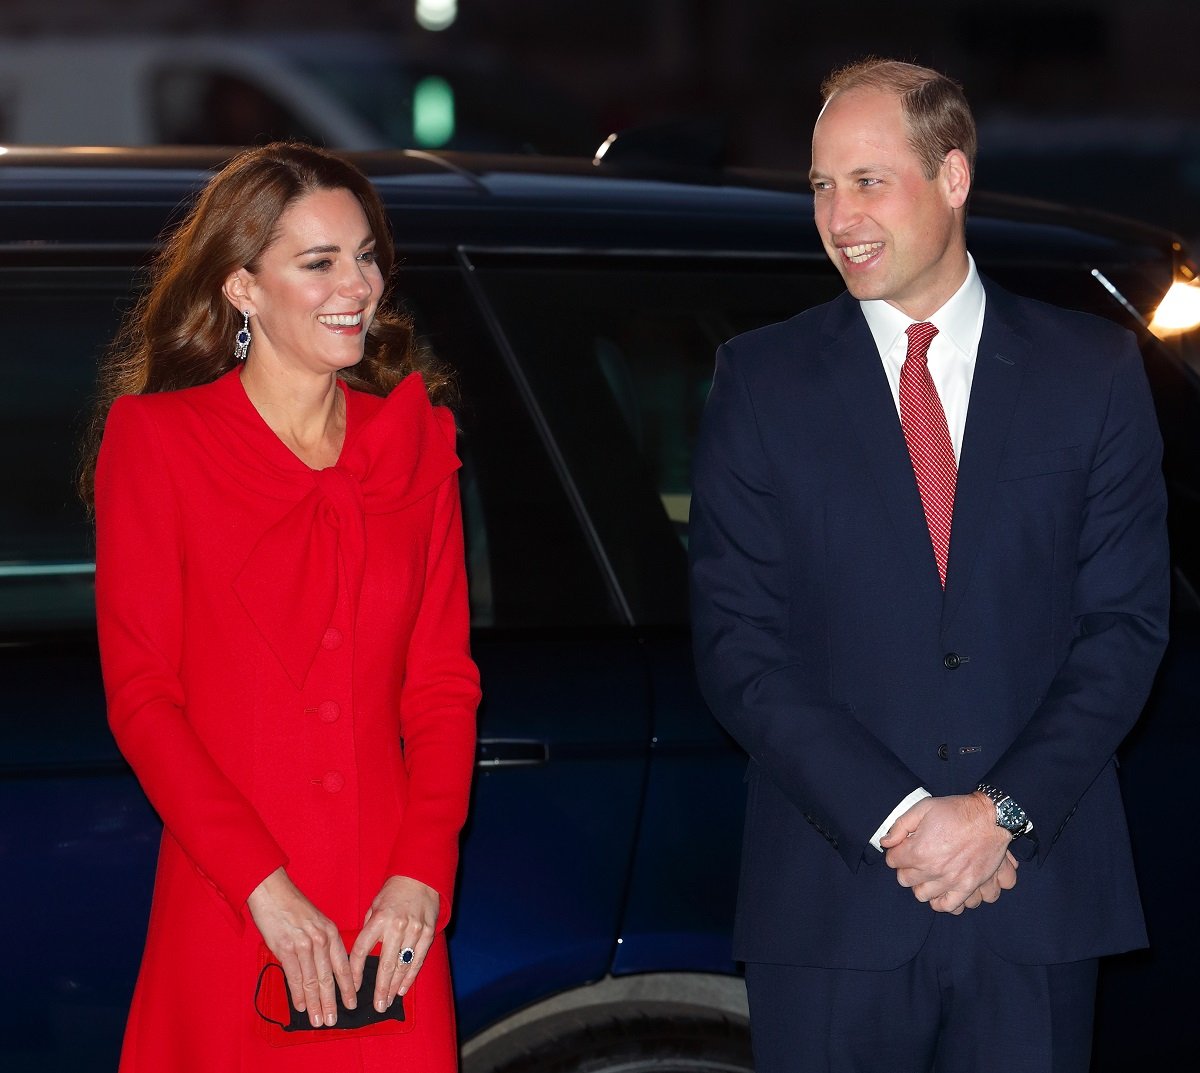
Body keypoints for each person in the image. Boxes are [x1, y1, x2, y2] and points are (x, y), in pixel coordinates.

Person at [689, 59, 1168, 1073]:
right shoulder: (762, 380)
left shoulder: (1094, 371)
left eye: (868, 180)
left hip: (1033, 900)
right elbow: (738, 643)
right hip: (831, 909)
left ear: (953, 177)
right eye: (820, 185)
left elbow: (1124, 625)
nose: (838, 215)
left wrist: (1002, 814)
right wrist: (905, 819)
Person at [81, 142, 480, 1072]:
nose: (359, 284)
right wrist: (264, 888)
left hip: (390, 919)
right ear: (242, 289)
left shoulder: (415, 443)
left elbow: (442, 687)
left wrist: (423, 873)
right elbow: (142, 694)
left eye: (367, 254)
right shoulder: (158, 443)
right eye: (320, 262)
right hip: (233, 902)